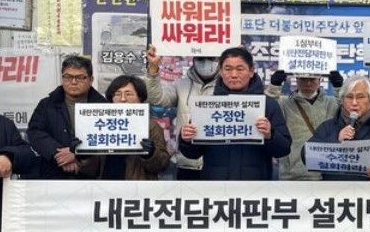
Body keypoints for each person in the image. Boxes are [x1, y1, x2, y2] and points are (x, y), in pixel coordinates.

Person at [179, 47, 291, 180]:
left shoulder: (268, 104)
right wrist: (186, 140)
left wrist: (270, 135)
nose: (233, 75)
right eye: (228, 69)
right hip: (215, 184)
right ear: (221, 72)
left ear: (251, 71)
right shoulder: (207, 106)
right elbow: (192, 154)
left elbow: (283, 149)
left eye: (240, 69)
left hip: (255, 185)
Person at [305, 75, 370, 181]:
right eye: (349, 97)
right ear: (342, 101)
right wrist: (335, 141)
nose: (354, 103)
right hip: (336, 191)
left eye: (360, 97)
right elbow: (306, 155)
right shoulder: (327, 128)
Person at [145, 45, 220, 180]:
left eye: (211, 58)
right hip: (188, 163)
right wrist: (153, 68)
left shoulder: (229, 85)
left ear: (219, 60)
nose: (205, 62)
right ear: (194, 59)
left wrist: (237, 56)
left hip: (219, 164)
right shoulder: (180, 84)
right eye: (200, 58)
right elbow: (156, 98)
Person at [27, 55, 107, 179]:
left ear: (91, 80)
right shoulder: (47, 104)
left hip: (91, 175)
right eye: (68, 77)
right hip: (53, 172)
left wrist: (78, 155)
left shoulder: (104, 106)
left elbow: (108, 140)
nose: (73, 82)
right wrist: (58, 154)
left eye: (80, 77)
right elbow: (35, 132)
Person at [77, 75, 171, 180]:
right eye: (117, 94)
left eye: (129, 94)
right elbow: (91, 170)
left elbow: (162, 165)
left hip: (136, 187)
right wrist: (85, 156)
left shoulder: (151, 126)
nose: (122, 99)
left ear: (140, 98)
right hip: (105, 186)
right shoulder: (100, 125)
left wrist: (151, 154)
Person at [266, 70, 342, 180]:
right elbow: (268, 111)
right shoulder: (284, 103)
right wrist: (274, 87)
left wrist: (339, 89)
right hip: (292, 174)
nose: (308, 83)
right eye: (303, 79)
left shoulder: (332, 102)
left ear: (319, 80)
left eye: (312, 79)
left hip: (326, 172)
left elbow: (347, 111)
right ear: (296, 80)